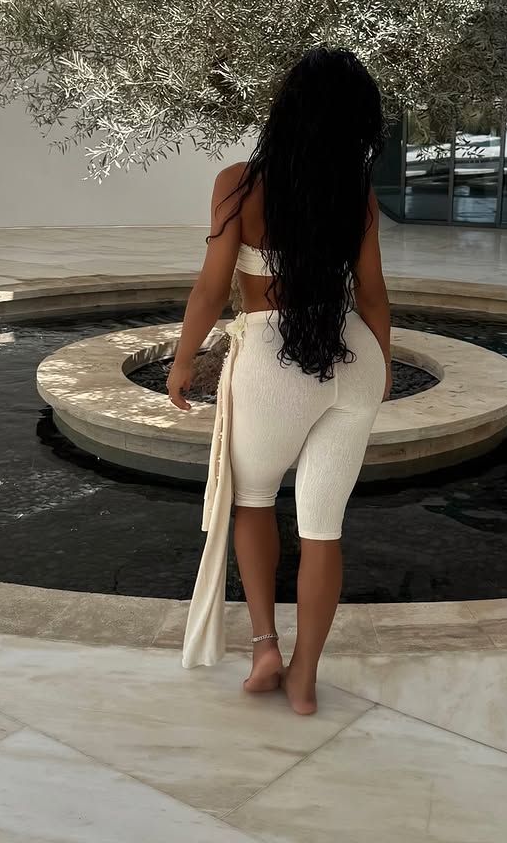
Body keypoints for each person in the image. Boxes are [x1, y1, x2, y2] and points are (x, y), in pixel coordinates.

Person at [166, 47, 392, 715]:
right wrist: (381, 366)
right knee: (323, 527)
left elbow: (212, 289)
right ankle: (305, 676)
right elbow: (373, 296)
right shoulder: (357, 196)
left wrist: (183, 359)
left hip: (271, 357)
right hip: (352, 356)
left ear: (286, 109)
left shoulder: (239, 183)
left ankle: (265, 646)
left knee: (255, 500)